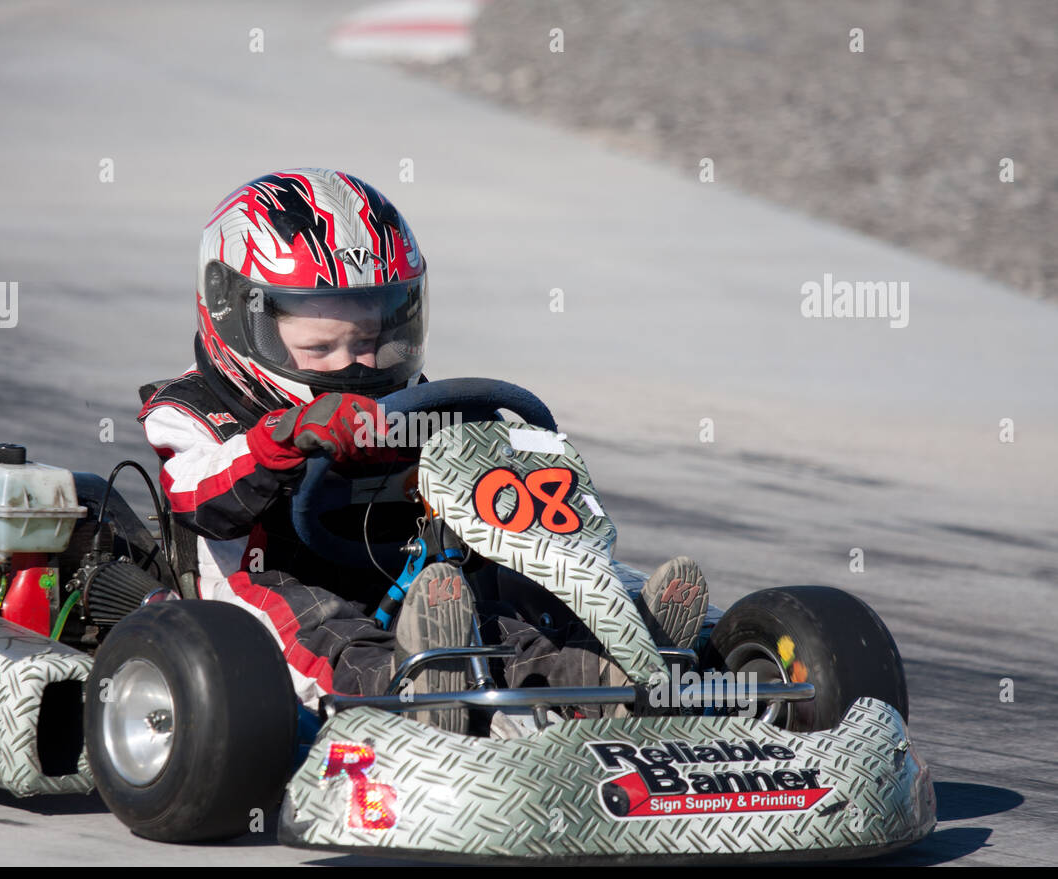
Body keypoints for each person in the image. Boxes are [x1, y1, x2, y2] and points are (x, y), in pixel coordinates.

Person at [139, 167, 709, 729]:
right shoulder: (191, 411)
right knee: (331, 631)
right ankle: (415, 694)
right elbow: (197, 496)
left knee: (499, 617)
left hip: (407, 577)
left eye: (370, 340)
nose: (354, 363)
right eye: (321, 346)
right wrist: (284, 438)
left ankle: (602, 675)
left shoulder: (415, 400)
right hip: (264, 588)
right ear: (234, 315)